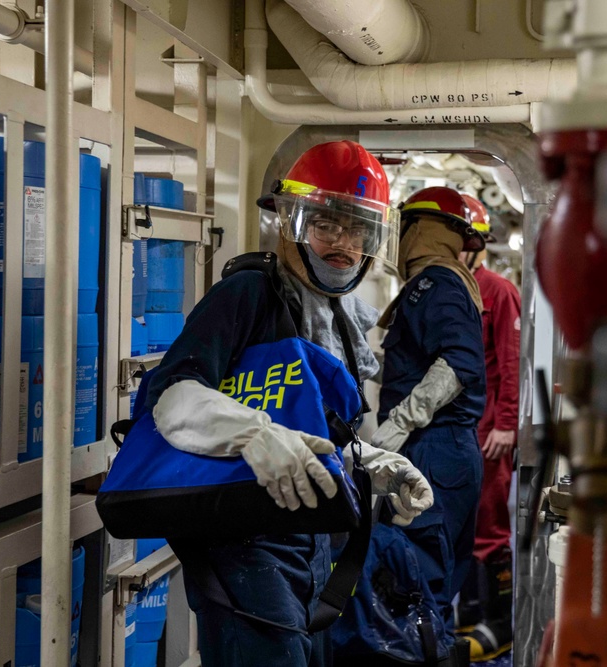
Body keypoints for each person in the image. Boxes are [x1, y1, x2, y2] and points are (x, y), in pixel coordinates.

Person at [143, 141, 434, 666]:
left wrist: (372, 465)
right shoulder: (248, 295)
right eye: (326, 225)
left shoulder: (340, 319)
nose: (343, 243)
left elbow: (311, 433)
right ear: (289, 223)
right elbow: (171, 394)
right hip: (244, 541)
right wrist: (252, 434)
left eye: (359, 229)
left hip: (314, 540)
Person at [372, 186, 488, 648]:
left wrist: (401, 421)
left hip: (432, 449)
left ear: (420, 230)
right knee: (431, 589)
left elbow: (461, 361)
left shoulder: (434, 283)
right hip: (447, 450)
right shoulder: (445, 282)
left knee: (415, 588)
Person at [455, 194, 521, 662]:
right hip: (457, 429)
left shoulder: (496, 290)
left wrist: (507, 424)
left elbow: (512, 361)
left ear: (475, 246)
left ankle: (498, 623)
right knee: (462, 523)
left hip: (489, 430)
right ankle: (466, 615)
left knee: (491, 527)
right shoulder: (443, 290)